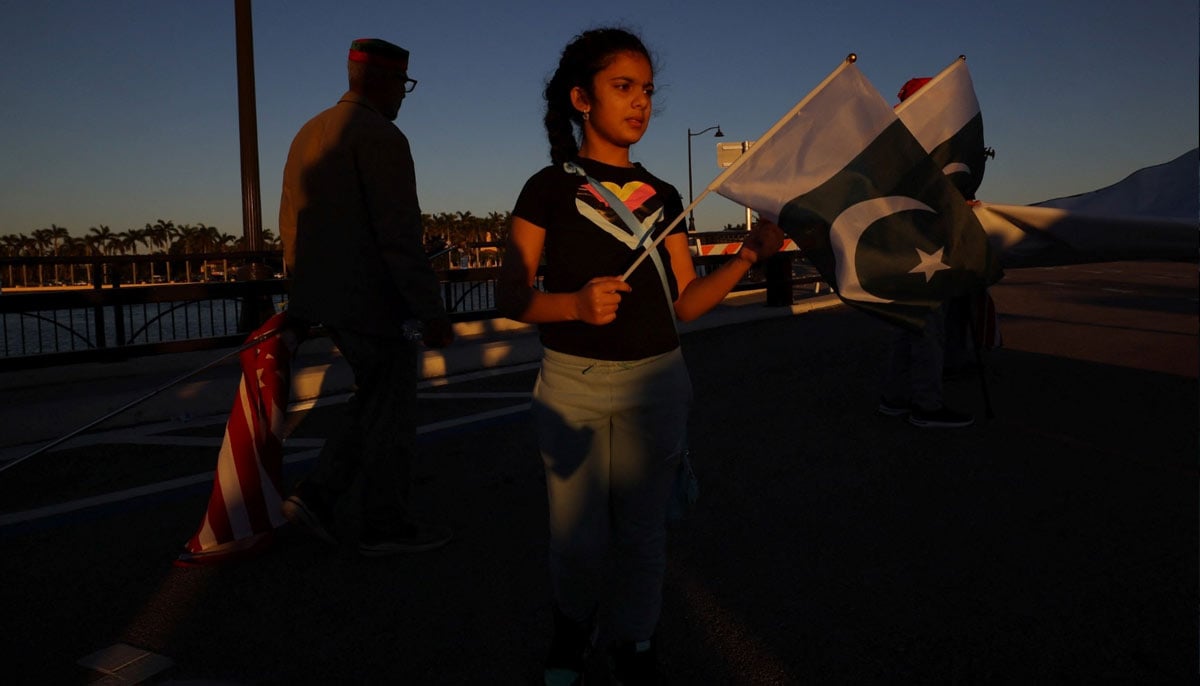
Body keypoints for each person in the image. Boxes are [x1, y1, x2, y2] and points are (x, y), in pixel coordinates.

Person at [497, 27, 784, 685]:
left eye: (648, 90)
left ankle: (634, 640)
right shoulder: (546, 188)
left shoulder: (666, 197)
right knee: (577, 541)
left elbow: (685, 302)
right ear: (581, 98)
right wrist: (572, 305)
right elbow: (512, 293)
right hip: (572, 383)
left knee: (643, 536)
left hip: (659, 379)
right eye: (622, 87)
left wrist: (748, 256)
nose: (640, 103)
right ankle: (572, 630)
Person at [278, 38, 455, 556]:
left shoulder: (307, 133)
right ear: (384, 81)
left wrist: (302, 298)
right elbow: (398, 236)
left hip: (322, 300)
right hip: (376, 304)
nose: (403, 95)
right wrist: (431, 312)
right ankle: (383, 524)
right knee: (393, 409)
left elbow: (291, 225)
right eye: (403, 85)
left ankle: (319, 497)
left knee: (374, 399)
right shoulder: (381, 136)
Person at [876, 77, 987, 428]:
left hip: (898, 242)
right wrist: (956, 206)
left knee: (907, 323)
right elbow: (924, 194)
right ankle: (926, 405)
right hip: (921, 243)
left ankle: (894, 397)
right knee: (927, 324)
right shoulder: (916, 141)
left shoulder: (893, 138)